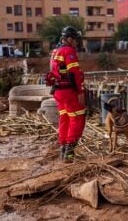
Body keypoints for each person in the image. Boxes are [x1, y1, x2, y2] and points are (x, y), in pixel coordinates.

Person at [49, 26, 85, 163]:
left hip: (58, 91)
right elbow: (73, 74)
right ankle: (69, 154)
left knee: (65, 118)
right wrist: (80, 92)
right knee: (78, 117)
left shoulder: (55, 51)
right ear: (69, 39)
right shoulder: (68, 51)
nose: (76, 42)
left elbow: (53, 72)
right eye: (75, 39)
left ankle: (63, 151)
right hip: (69, 91)